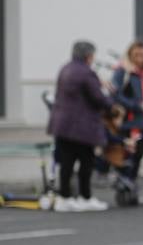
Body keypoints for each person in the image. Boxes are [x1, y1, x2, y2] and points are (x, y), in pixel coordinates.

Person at [47, 40, 112, 212]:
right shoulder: (86, 73)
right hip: (81, 128)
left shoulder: (65, 69)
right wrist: (110, 98)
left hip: (62, 125)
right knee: (86, 162)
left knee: (66, 163)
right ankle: (85, 197)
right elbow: (98, 99)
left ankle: (65, 197)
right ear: (88, 56)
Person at [111, 39, 143, 183]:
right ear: (130, 55)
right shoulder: (123, 72)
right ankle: (124, 184)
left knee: (138, 156)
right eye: (136, 55)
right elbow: (115, 94)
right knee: (128, 157)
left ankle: (130, 185)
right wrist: (137, 106)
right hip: (130, 124)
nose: (140, 58)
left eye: (142, 55)